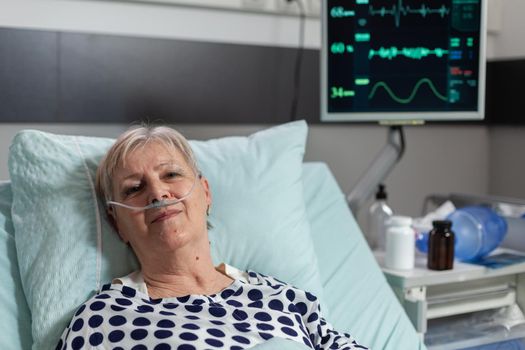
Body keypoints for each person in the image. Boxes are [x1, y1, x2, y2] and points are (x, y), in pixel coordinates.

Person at [57, 125, 368, 350]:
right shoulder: (103, 320)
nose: (158, 193)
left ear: (205, 193)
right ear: (118, 224)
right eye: (134, 189)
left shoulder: (285, 299)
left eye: (171, 174)